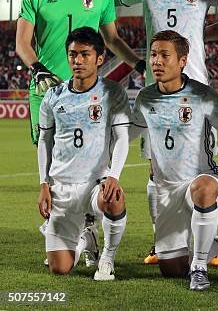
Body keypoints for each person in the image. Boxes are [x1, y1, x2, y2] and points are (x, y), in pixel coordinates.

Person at [17, 0, 144, 268]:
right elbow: (22, 44)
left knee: (93, 159)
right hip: (46, 90)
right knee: (54, 159)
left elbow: (112, 39)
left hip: (89, 92)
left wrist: (138, 63)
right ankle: (73, 230)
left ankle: (85, 229)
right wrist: (38, 70)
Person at [114, 0, 218, 265]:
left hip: (197, 91)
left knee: (199, 166)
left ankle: (203, 240)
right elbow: (106, 0)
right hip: (157, 95)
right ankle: (159, 238)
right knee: (156, 169)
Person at [130, 30, 218, 290]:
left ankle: (200, 268)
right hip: (167, 191)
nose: (156, 61)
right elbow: (126, 132)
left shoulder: (202, 95)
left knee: (203, 190)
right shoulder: (145, 98)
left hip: (203, 180)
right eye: (153, 55)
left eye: (164, 55)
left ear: (183, 61)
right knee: (172, 269)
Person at [37, 27, 131, 280]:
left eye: (85, 54)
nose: (77, 60)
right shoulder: (53, 96)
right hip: (61, 187)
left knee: (114, 197)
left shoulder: (113, 93)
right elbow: (44, 140)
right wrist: (44, 183)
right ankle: (85, 240)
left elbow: (122, 138)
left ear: (100, 59)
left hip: (94, 185)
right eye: (73, 54)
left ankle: (107, 260)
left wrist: (114, 175)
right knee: (60, 268)